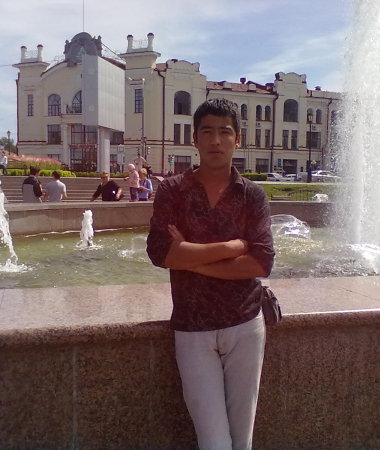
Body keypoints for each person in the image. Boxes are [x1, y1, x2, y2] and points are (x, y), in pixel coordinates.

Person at [146, 98, 275, 450]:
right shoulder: (173, 190)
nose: (216, 141)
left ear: (238, 139)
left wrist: (190, 259)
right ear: (195, 139)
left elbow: (260, 263)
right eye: (207, 132)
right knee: (214, 441)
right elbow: (160, 252)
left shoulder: (252, 195)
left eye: (225, 132)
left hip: (245, 324)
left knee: (242, 439)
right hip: (193, 327)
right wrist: (233, 247)